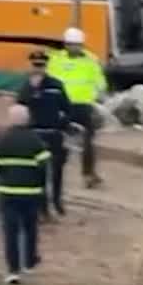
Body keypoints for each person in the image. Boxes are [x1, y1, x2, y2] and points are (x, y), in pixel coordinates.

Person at [0, 106, 50, 285]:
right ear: (27, 119)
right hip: (31, 192)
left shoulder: (1, 139)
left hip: (8, 192)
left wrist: (4, 172)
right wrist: (39, 184)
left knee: (10, 232)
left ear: (10, 119)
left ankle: (13, 270)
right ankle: (29, 262)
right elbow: (44, 164)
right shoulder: (35, 140)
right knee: (30, 228)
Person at [16, 50, 73, 218]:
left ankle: (56, 201)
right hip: (34, 135)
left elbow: (67, 108)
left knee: (57, 171)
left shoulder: (56, 85)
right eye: (35, 65)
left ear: (46, 66)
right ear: (31, 65)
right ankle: (42, 208)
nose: (38, 69)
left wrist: (62, 125)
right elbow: (19, 109)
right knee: (38, 173)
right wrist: (32, 88)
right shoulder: (25, 86)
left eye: (41, 65)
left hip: (54, 134)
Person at [48, 27, 107, 188]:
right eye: (70, 44)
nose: (73, 47)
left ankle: (88, 174)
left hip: (83, 106)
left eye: (77, 44)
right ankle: (55, 172)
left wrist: (97, 96)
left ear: (82, 45)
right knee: (59, 142)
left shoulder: (90, 60)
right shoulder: (56, 60)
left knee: (88, 141)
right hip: (62, 106)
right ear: (65, 44)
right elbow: (49, 80)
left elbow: (100, 82)